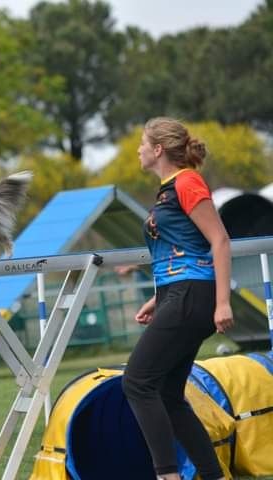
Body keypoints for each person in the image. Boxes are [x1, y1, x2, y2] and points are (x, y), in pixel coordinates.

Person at [121, 117, 234, 480]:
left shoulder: (187, 181)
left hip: (193, 296)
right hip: (178, 294)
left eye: (142, 143)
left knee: (137, 382)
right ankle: (210, 474)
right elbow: (179, 251)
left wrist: (223, 302)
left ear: (157, 150)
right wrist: (159, 297)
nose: (138, 149)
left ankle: (166, 474)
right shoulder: (168, 189)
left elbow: (219, 240)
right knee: (168, 394)